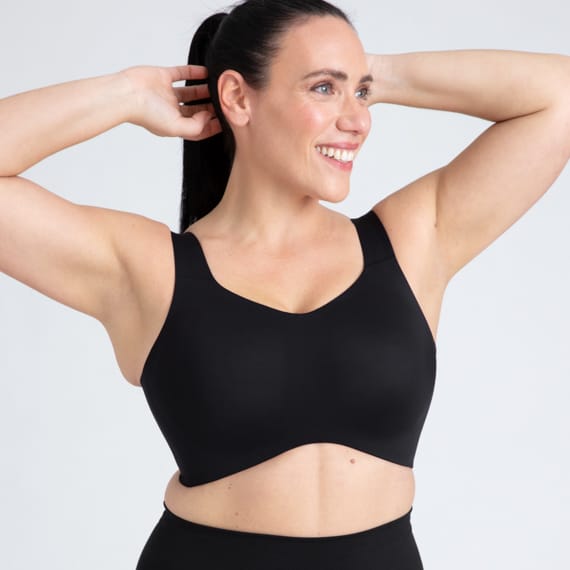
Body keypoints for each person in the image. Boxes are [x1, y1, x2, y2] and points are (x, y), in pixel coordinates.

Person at [0, 0, 568, 567]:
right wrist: (124, 94)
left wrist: (377, 74)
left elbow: (558, 95)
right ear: (238, 97)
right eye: (323, 89)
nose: (359, 120)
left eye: (360, 94)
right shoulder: (148, 269)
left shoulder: (413, 241)